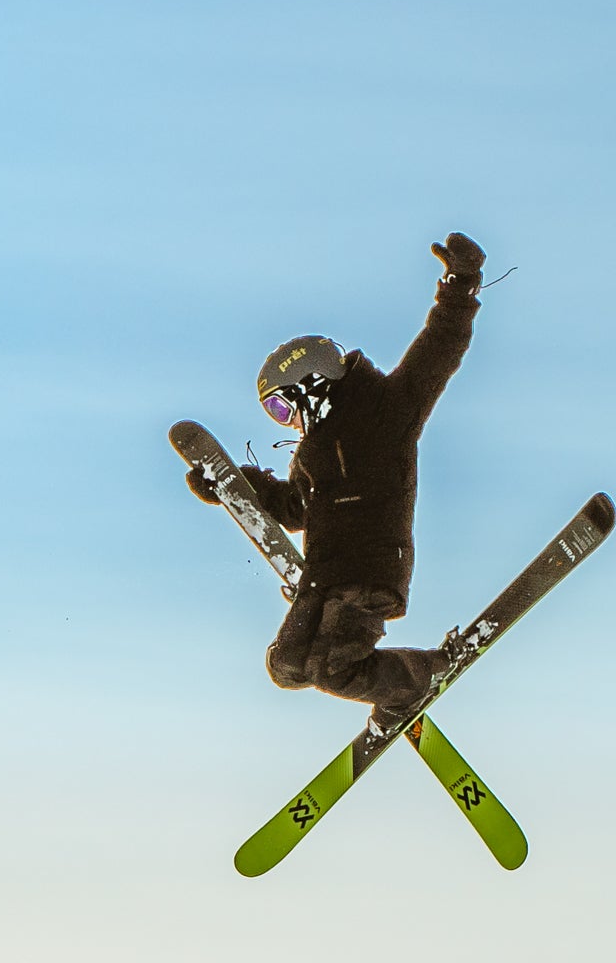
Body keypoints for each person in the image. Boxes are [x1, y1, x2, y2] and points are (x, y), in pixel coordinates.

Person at [190, 230, 484, 715]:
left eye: (283, 409)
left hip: (368, 573)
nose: (288, 421)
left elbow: (441, 346)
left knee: (332, 668)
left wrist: (460, 281)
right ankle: (390, 686)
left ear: (312, 385)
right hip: (323, 577)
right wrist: (228, 485)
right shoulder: (313, 454)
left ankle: (414, 679)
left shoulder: (388, 410)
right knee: (286, 666)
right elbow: (290, 509)